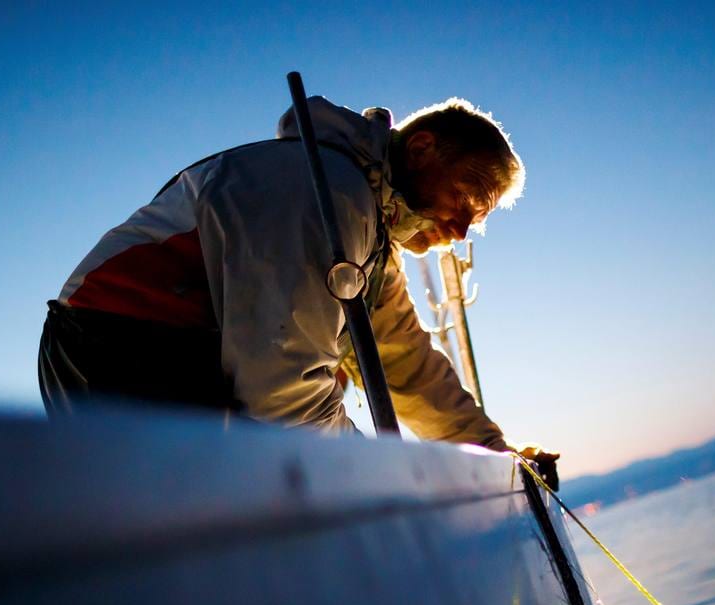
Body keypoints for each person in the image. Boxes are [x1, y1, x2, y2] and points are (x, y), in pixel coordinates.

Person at [38, 94, 557, 480]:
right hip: (123, 347)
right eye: (467, 198)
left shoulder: (369, 234)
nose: (463, 230)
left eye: (479, 220)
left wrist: (500, 459)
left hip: (166, 356)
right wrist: (388, 478)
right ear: (422, 149)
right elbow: (281, 395)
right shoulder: (327, 195)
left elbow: (408, 370)